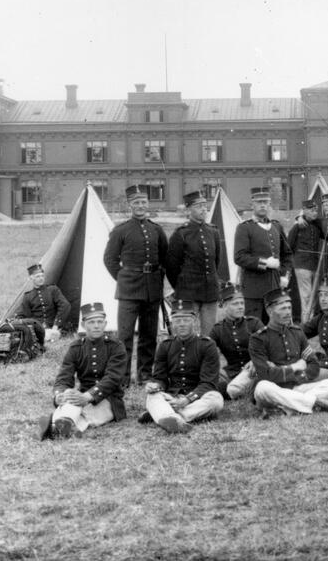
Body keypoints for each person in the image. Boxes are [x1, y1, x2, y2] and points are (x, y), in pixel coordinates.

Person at [103, 184, 168, 386]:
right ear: (129, 205)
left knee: (149, 335)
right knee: (125, 336)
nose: (141, 206)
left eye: (143, 202)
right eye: (136, 202)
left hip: (152, 290)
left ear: (148, 204)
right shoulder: (120, 230)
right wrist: (124, 278)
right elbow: (110, 259)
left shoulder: (156, 229)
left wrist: (157, 279)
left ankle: (144, 374)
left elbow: (164, 258)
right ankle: (122, 377)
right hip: (129, 290)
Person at [40, 302, 128, 440]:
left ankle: (56, 426)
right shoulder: (76, 347)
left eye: (100, 322)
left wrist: (88, 396)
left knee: (87, 413)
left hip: (109, 399)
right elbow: (64, 377)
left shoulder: (116, 346)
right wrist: (60, 395)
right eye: (91, 322)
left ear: (105, 324)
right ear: (83, 325)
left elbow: (112, 379)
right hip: (81, 397)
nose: (96, 326)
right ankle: (63, 427)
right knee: (71, 398)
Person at [248, 288, 328, 415]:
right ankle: (316, 402)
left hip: (295, 387)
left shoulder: (297, 332)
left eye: (289, 308)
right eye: (283, 308)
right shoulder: (258, 339)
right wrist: (294, 367)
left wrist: (288, 373)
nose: (288, 312)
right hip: (273, 390)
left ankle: (287, 408)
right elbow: (266, 374)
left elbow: (313, 365)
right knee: (262, 387)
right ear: (270, 311)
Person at [142, 300, 225, 434]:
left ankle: (169, 416)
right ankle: (169, 417)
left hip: (198, 397)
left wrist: (187, 399)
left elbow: (209, 383)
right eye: (177, 320)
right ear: (172, 323)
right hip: (172, 396)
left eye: (186, 320)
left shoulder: (207, 345)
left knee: (216, 400)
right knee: (152, 396)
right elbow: (160, 378)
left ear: (194, 321)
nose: (181, 324)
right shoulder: (165, 345)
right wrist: (155, 385)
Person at [166, 190, 224, 334]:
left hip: (210, 292)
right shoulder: (181, 234)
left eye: (205, 205)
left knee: (209, 335)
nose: (203, 209)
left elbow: (216, 261)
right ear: (188, 210)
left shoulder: (213, 231)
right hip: (188, 293)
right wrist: (181, 287)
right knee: (186, 333)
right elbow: (172, 267)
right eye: (198, 206)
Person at [233, 186, 292, 324]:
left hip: (275, 287)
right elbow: (239, 257)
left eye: (265, 202)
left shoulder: (276, 226)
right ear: (252, 205)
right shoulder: (244, 228)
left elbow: (287, 254)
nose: (262, 205)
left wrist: (285, 275)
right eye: (259, 202)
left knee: (276, 326)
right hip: (254, 290)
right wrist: (264, 263)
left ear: (269, 204)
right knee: (254, 328)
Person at [208, 284, 262, 399]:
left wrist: (255, 360)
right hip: (231, 372)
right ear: (225, 306)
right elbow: (206, 350)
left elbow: (270, 344)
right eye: (235, 304)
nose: (240, 307)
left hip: (253, 370)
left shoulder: (254, 323)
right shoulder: (218, 329)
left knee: (232, 388)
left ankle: (236, 390)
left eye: (242, 303)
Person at [12, 263, 73, 350]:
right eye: (37, 276)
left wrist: (56, 326)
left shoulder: (52, 290)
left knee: (52, 335)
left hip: (53, 327)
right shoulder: (28, 296)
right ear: (31, 278)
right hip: (38, 328)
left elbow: (65, 306)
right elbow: (25, 315)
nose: (41, 278)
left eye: (42, 276)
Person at [287, 198, 324, 320]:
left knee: (314, 295)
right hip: (301, 265)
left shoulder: (317, 225)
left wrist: (299, 217)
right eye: (311, 210)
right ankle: (306, 322)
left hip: (314, 265)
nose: (315, 213)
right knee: (306, 295)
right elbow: (288, 247)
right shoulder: (297, 227)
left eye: (316, 210)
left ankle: (311, 320)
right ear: (304, 210)